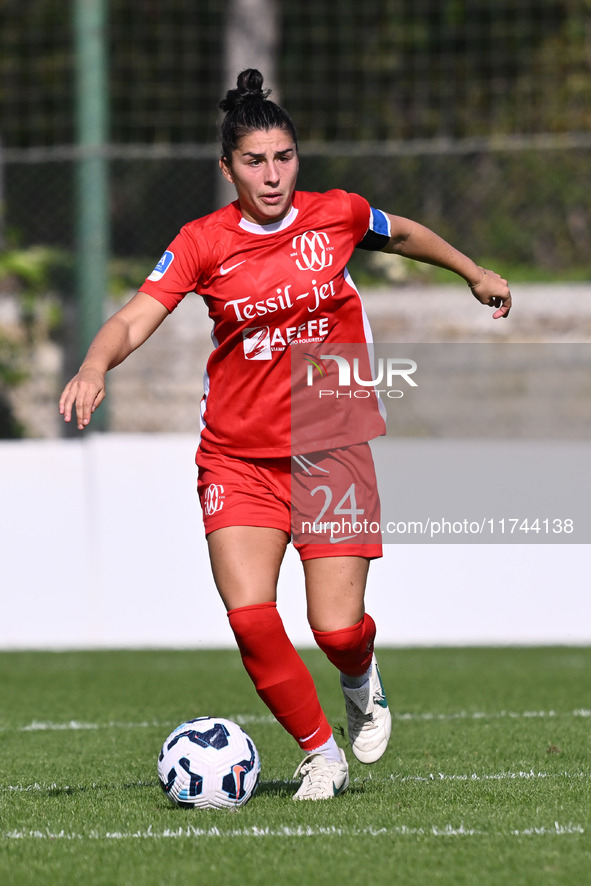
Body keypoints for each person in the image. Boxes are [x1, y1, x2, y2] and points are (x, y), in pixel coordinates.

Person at [59, 69, 511, 801]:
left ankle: (359, 674)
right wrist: (93, 363)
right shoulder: (202, 242)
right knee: (249, 615)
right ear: (226, 168)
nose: (271, 175)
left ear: (297, 157)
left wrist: (470, 269)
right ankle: (319, 753)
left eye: (283, 157)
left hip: (330, 447)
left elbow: (402, 234)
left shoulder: (335, 214)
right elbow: (136, 314)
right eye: (253, 161)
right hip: (236, 456)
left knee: (334, 630)